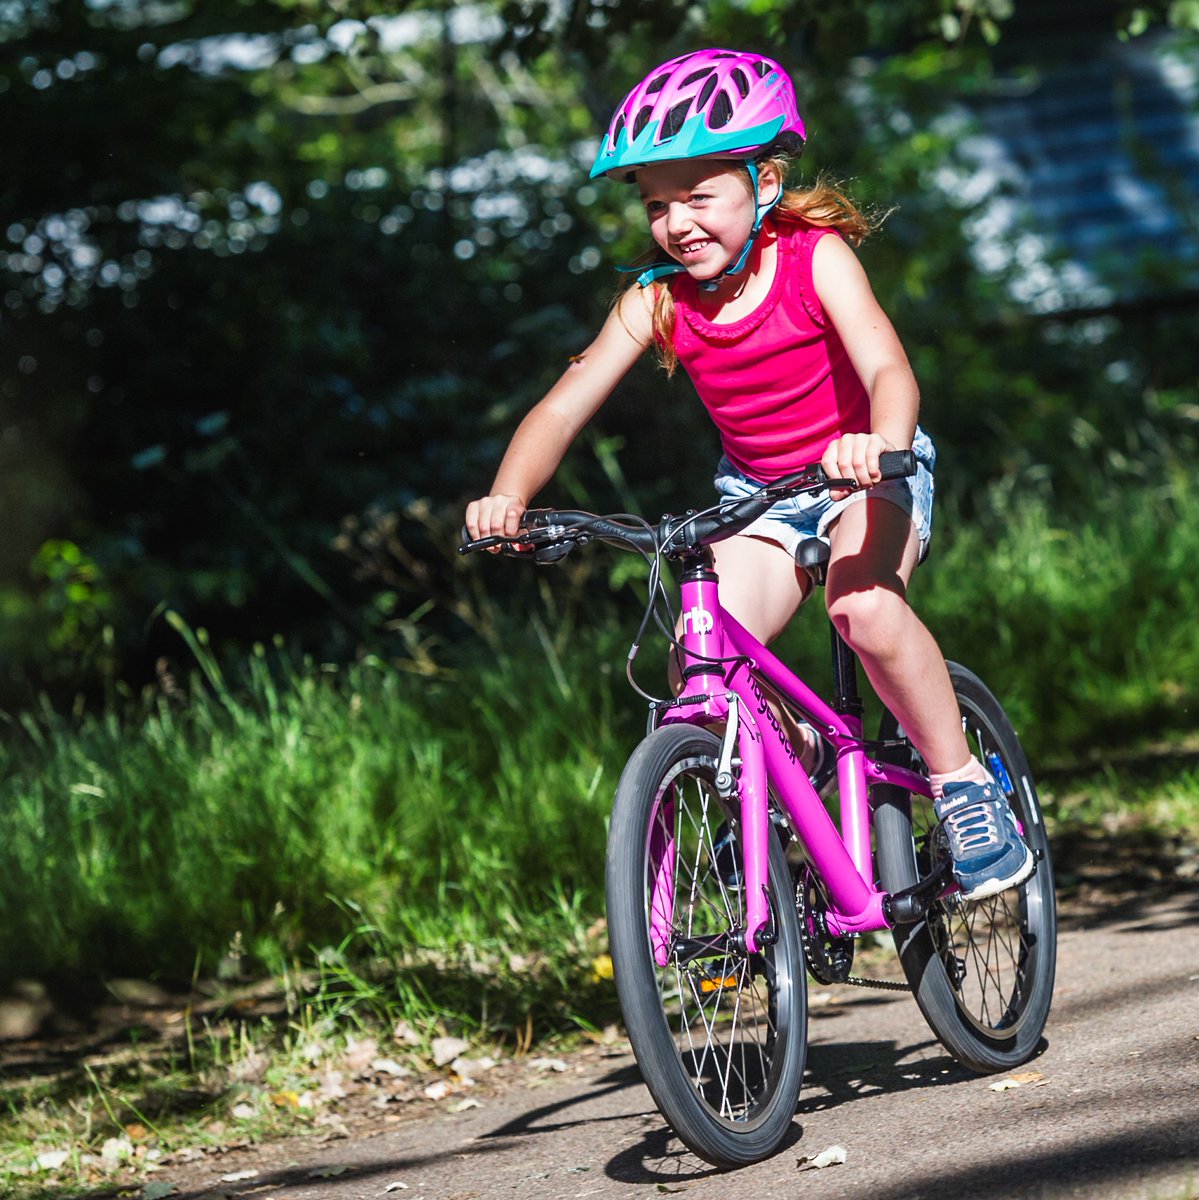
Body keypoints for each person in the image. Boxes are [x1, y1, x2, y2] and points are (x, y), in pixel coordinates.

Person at [464, 48, 1033, 902]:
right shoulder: (655, 301)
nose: (676, 222)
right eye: (657, 205)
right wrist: (509, 495)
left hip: (863, 470)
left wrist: (877, 443)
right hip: (758, 498)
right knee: (696, 656)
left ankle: (963, 788)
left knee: (865, 610)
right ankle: (787, 766)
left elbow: (888, 371)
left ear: (762, 183)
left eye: (698, 196)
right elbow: (560, 407)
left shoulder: (814, 258)